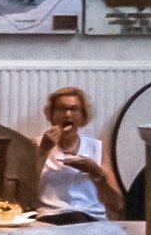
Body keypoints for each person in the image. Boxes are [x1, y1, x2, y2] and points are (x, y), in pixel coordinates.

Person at [36, 85, 122, 215]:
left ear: (83, 117)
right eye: (61, 109)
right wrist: (43, 152)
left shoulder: (97, 148)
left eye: (74, 109)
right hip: (51, 217)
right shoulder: (37, 145)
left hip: (90, 218)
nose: (67, 114)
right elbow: (22, 196)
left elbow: (117, 205)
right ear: (51, 116)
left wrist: (96, 174)